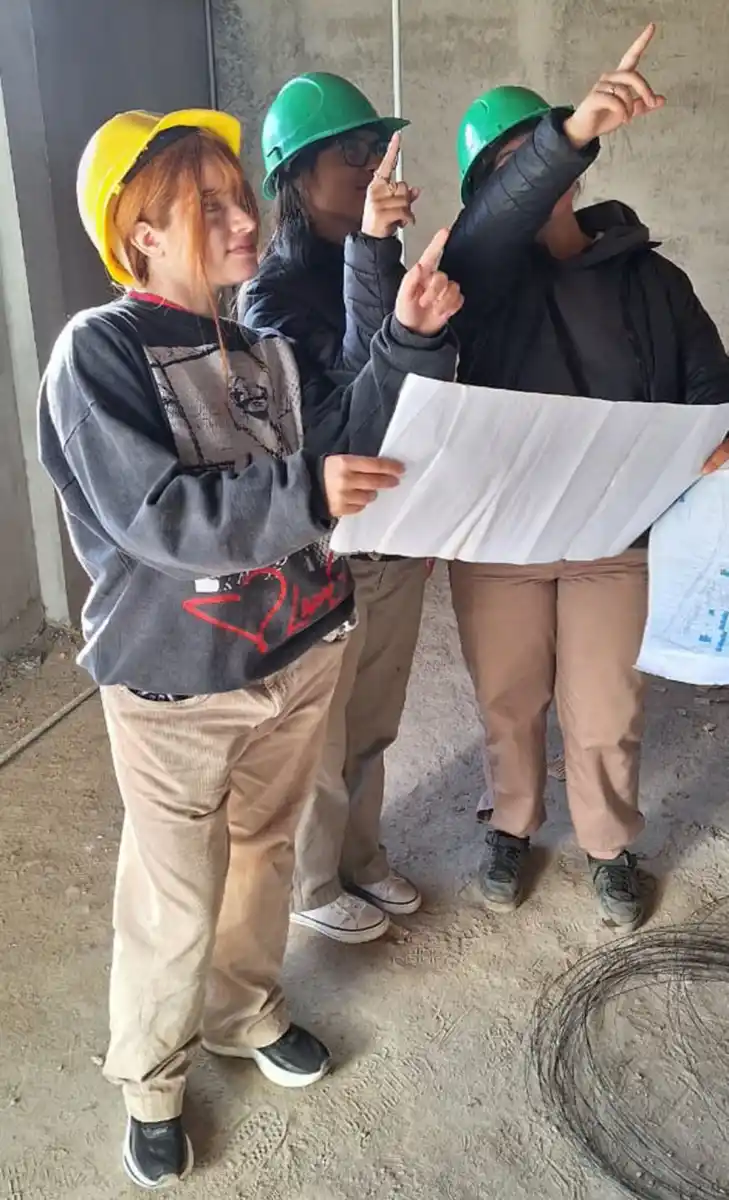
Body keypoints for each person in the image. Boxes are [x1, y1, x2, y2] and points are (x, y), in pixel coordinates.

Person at [38, 106, 462, 1189]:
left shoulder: (260, 348)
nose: (243, 223)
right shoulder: (98, 354)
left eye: (241, 198)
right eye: (211, 206)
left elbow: (343, 441)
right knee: (174, 891)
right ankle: (152, 1078)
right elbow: (161, 517)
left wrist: (406, 335)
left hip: (297, 656)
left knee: (265, 854)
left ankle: (242, 1013)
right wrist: (304, 491)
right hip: (176, 688)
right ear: (141, 234)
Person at [445, 24, 729, 930]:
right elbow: (482, 242)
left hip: (614, 539)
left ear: (574, 176)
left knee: (604, 708)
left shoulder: (653, 280)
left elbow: (707, 389)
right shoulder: (475, 282)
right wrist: (562, 135)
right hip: (500, 539)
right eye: (506, 168)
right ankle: (513, 824)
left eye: (537, 158)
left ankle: (608, 842)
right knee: (509, 696)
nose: (527, 180)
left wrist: (713, 443)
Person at [242, 73, 428, 943]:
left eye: (371, 148)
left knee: (376, 713)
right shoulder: (268, 297)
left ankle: (359, 856)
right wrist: (370, 250)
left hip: (395, 523)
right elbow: (346, 406)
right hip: (325, 542)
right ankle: (314, 883)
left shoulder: (376, 251)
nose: (365, 164)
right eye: (346, 152)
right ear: (296, 173)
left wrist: (376, 252)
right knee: (321, 726)